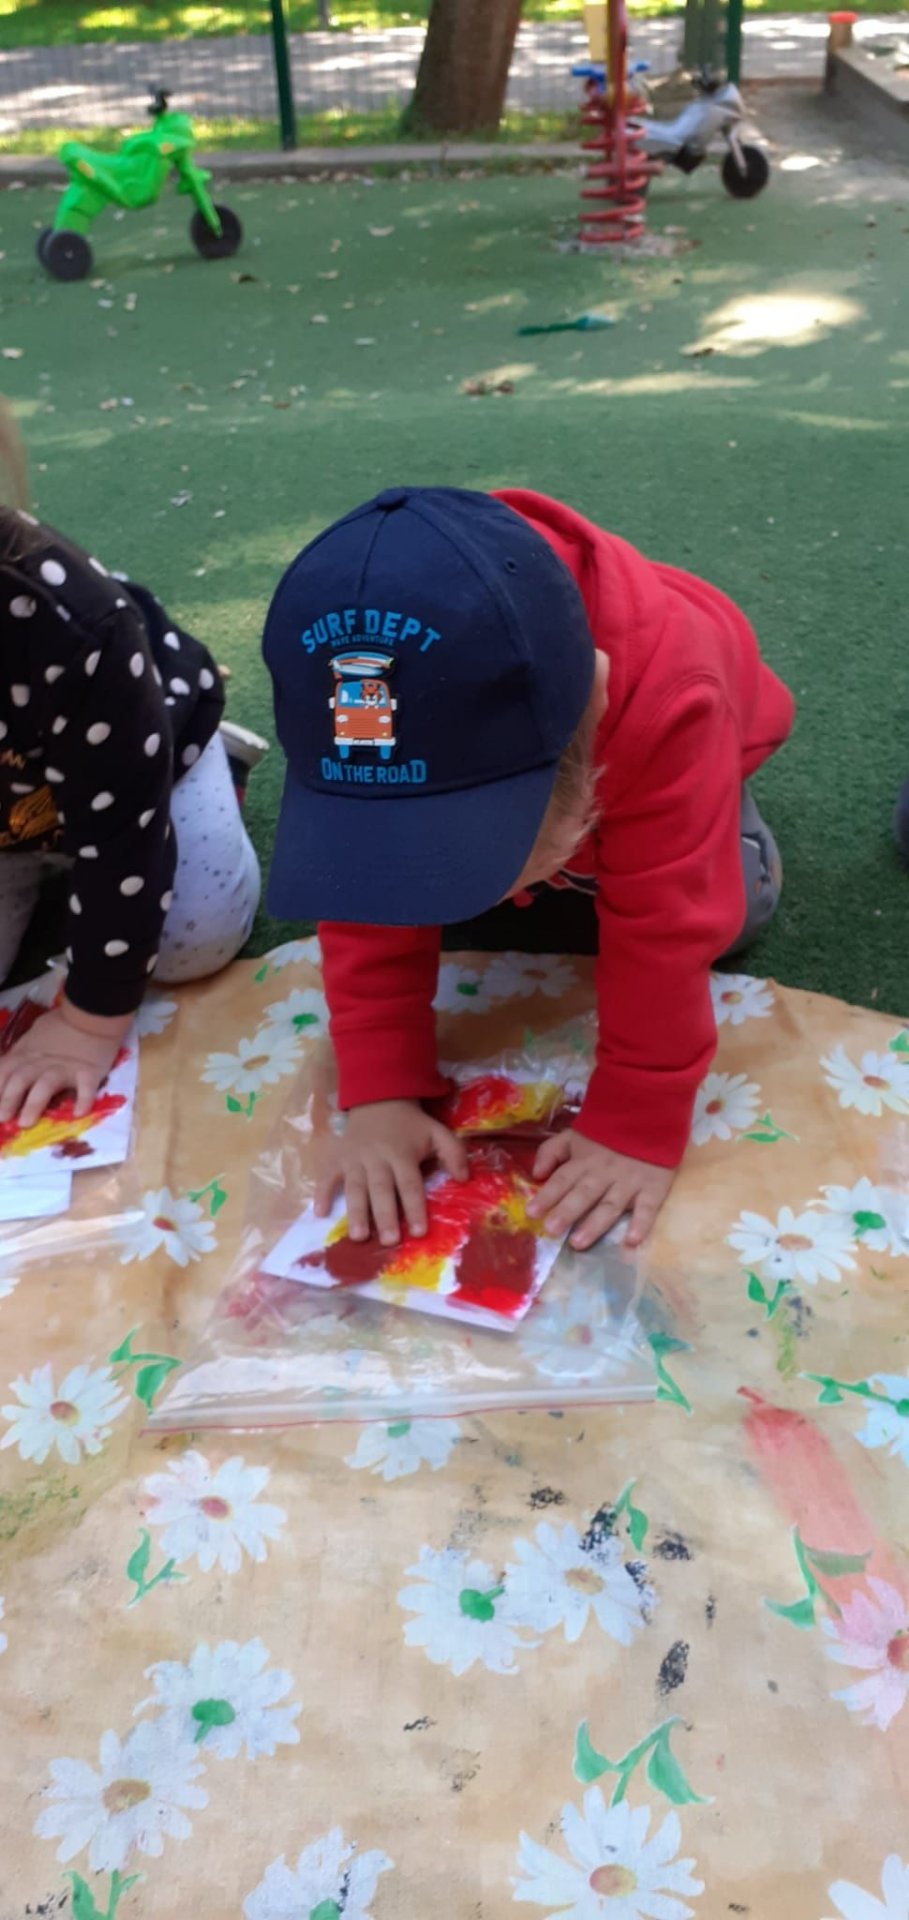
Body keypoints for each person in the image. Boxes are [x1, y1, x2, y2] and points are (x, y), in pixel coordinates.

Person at [263, 485, 794, 1250]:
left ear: (597, 698)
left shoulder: (670, 695)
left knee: (731, 905)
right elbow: (361, 890)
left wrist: (634, 1120)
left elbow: (667, 930)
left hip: (680, 756)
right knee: (440, 887)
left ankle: (714, 841)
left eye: (463, 845)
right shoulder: (356, 694)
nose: (417, 882)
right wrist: (380, 1087)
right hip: (567, 776)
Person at [0, 404, 262, 1126]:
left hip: (135, 773)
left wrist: (87, 1026)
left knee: (192, 942)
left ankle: (214, 762)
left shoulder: (65, 619)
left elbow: (123, 842)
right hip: (17, 818)